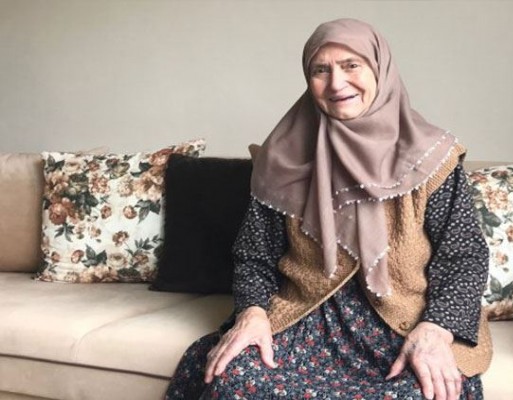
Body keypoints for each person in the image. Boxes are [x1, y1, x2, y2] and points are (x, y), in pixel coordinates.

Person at [165, 18, 490, 400]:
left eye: (352, 65)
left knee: (419, 393)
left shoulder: (432, 157)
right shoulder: (282, 159)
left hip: (404, 326)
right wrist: (252, 313)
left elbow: (464, 256)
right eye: (321, 70)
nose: (336, 83)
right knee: (232, 378)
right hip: (304, 319)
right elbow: (254, 256)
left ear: (380, 69)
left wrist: (436, 329)